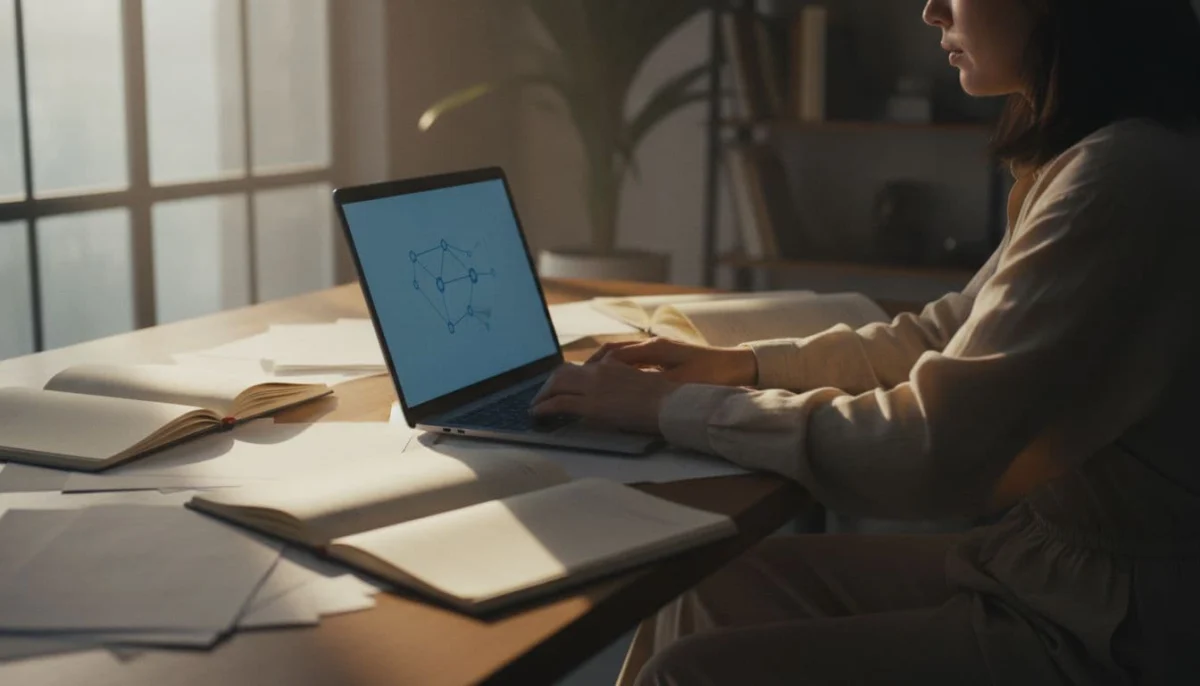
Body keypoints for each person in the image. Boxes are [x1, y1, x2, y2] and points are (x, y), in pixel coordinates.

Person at [529, 0, 1200, 683]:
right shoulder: (1105, 154)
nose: (932, 10)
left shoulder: (1124, 176)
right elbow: (946, 335)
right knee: (713, 585)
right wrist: (744, 366)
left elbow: (928, 449)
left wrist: (666, 408)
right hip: (1053, 567)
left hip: (1116, 628)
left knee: (690, 672)